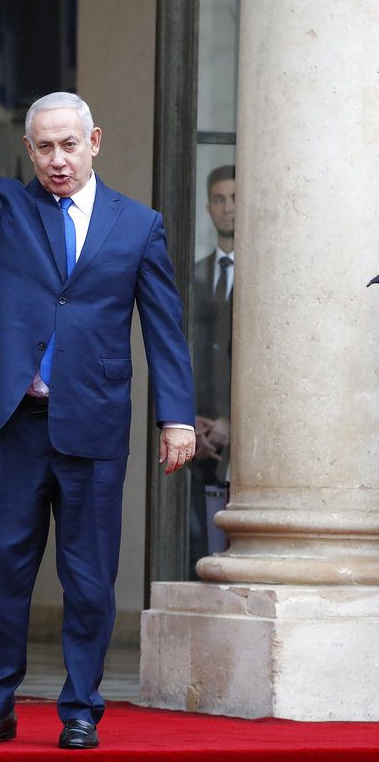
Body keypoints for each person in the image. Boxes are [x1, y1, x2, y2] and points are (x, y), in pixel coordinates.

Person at [0, 58, 196, 749]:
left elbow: (163, 329)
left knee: (90, 581)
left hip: (94, 423)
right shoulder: (10, 205)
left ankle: (80, 709)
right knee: (3, 572)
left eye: (68, 145)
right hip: (11, 422)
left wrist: (179, 415)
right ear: (29, 150)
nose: (56, 160)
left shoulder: (139, 225)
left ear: (94, 141)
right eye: (43, 147)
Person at [190, 165, 235, 569]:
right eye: (220, 200)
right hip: (197, 437)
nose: (228, 208)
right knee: (197, 544)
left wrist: (231, 420)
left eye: (235, 198)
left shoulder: (265, 275)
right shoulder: (194, 275)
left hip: (241, 438)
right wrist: (191, 421)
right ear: (207, 208)